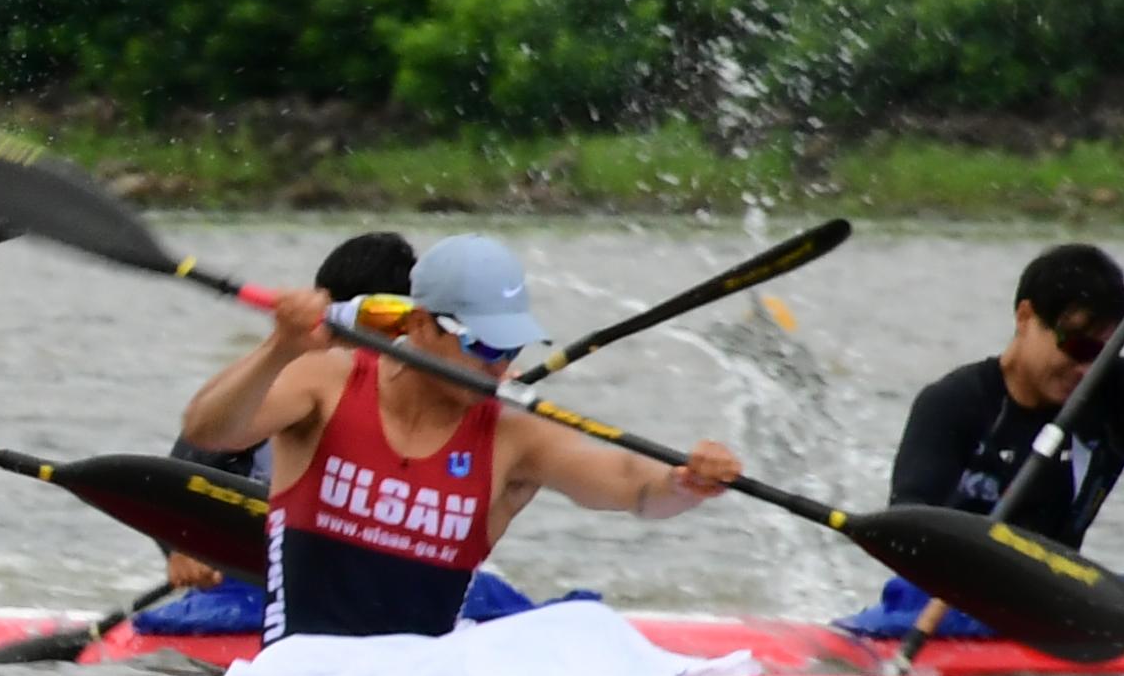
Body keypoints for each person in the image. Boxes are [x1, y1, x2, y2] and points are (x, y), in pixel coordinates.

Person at [180, 232, 741, 641]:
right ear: (420, 325)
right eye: (484, 347)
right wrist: (280, 347)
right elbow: (206, 429)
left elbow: (628, 485)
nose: (499, 366)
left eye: (511, 349)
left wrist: (684, 481)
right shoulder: (326, 381)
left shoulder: (513, 434)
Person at [889, 243, 1124, 544]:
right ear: (1025, 317)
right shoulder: (951, 404)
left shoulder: (1110, 401)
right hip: (945, 587)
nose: (1085, 368)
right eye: (1077, 346)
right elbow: (906, 523)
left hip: (1050, 591)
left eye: (1101, 352)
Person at [164, 229, 419, 599]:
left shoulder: (429, 384)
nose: (364, 350)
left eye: (388, 325)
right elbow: (189, 458)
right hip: (253, 578)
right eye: (359, 324)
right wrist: (181, 545)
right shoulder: (286, 379)